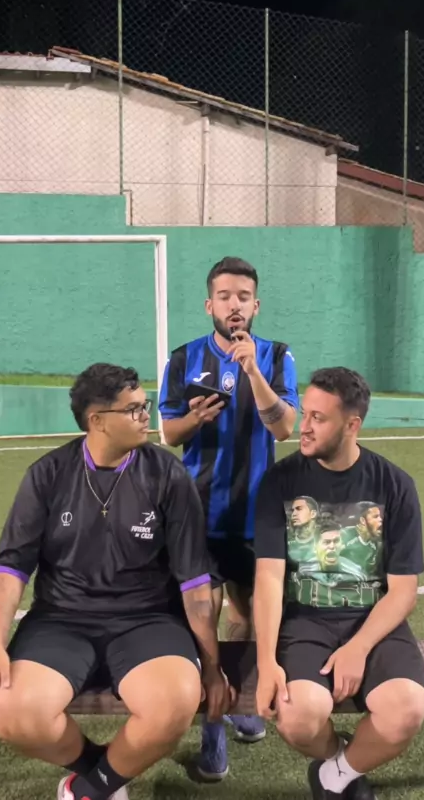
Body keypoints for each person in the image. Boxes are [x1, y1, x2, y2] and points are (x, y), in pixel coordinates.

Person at [0, 363, 233, 800]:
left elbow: (195, 585)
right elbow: (10, 571)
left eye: (144, 405)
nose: (145, 416)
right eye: (133, 409)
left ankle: (91, 788)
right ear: (97, 420)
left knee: (175, 703)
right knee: (14, 715)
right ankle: (103, 771)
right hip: (61, 620)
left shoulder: (168, 475)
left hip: (148, 619)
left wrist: (212, 668)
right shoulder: (48, 474)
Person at [253, 367, 424, 800]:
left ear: (352, 425)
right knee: (297, 718)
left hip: (373, 619)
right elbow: (269, 577)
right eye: (305, 413)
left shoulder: (395, 485)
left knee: (406, 708)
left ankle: (335, 775)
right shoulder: (280, 481)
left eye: (318, 418)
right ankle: (342, 761)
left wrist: (359, 647)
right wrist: (266, 662)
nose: (304, 426)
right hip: (305, 621)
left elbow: (403, 591)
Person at [158, 256, 299, 780]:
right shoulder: (183, 358)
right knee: (205, 620)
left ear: (255, 305)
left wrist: (252, 371)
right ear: (209, 304)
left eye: (243, 296)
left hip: (258, 512)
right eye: (224, 296)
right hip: (199, 512)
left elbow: (284, 428)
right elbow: (168, 434)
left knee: (249, 615)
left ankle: (243, 704)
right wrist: (195, 418)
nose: (234, 305)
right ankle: (213, 730)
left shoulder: (277, 356)